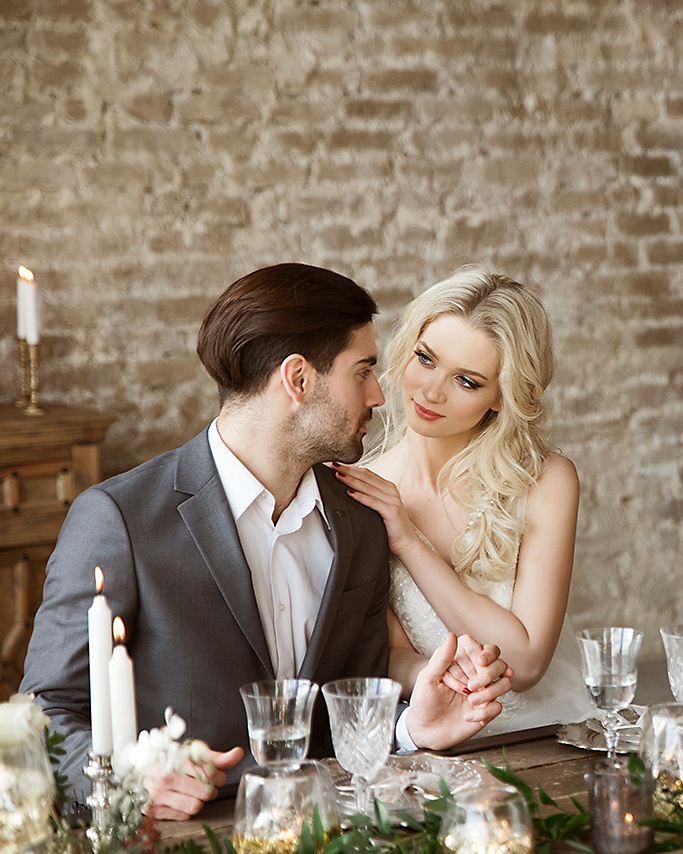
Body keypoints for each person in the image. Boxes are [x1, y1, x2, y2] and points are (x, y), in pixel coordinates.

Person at [21, 264, 513, 820]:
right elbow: (44, 715)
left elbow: (356, 688)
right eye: (363, 371)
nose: (379, 394)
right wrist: (129, 782)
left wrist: (411, 725)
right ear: (298, 380)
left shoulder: (360, 520)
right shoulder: (119, 519)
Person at [335, 266, 593, 735]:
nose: (431, 391)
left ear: (502, 397)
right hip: (433, 731)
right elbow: (386, 654)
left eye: (467, 381)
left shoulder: (546, 480)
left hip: (542, 731)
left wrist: (409, 541)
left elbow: (528, 662)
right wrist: (436, 678)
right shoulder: (362, 488)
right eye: (426, 359)